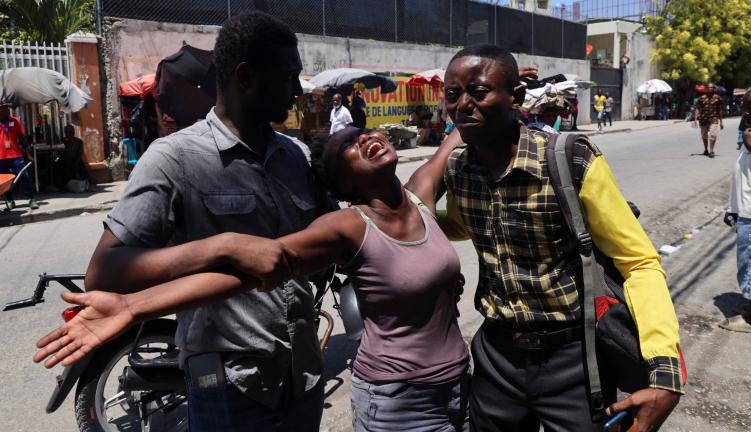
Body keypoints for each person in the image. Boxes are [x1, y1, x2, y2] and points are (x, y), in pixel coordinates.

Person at [34, 127, 472, 431]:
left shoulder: (420, 197)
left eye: (366, 134)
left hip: (458, 384)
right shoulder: (347, 226)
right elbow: (250, 272)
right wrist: (132, 306)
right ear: (343, 182)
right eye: (353, 147)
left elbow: (455, 138)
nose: (368, 140)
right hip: (400, 401)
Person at [53, 12, 331, 431]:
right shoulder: (174, 159)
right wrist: (223, 245)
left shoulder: (296, 155)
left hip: (302, 376)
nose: (296, 90)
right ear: (245, 77)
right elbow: (105, 271)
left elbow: (328, 243)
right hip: (229, 390)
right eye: (288, 76)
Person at [418, 45, 683, 431]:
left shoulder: (568, 158)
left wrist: (664, 369)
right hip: (496, 356)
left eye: (478, 92)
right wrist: (390, 220)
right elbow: (463, 224)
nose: (462, 106)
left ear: (517, 98)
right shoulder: (458, 168)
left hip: (573, 358)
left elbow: (638, 261)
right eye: (453, 94)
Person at [721, 87, 751, 333]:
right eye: (744, 106)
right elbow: (746, 174)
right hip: (747, 208)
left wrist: (750, 145)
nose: (746, 112)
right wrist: (732, 207)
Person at [0, 103, 38, 210]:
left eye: (7, 108)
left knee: (23, 176)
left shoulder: (15, 121)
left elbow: (22, 138)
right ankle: (9, 200)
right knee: (5, 182)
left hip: (15, 155)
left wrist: (28, 154)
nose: (7, 110)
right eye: (3, 108)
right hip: (1, 157)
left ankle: (31, 198)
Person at [58, 124, 94, 189]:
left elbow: (80, 153)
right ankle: (63, 184)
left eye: (70, 132)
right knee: (61, 165)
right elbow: (60, 153)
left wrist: (75, 162)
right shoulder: (62, 141)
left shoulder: (79, 141)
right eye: (67, 133)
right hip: (65, 160)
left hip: (76, 159)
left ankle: (87, 182)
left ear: (73, 133)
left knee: (80, 165)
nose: (69, 134)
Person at [695, 82, 724, 158]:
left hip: (713, 119)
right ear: (706, 88)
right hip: (703, 119)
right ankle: (706, 149)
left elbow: (720, 110)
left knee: (713, 135)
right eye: (708, 87)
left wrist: (721, 122)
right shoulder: (702, 97)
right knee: (704, 136)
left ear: (714, 89)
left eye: (711, 87)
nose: (709, 89)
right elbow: (698, 108)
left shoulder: (718, 98)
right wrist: (695, 119)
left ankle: (711, 151)